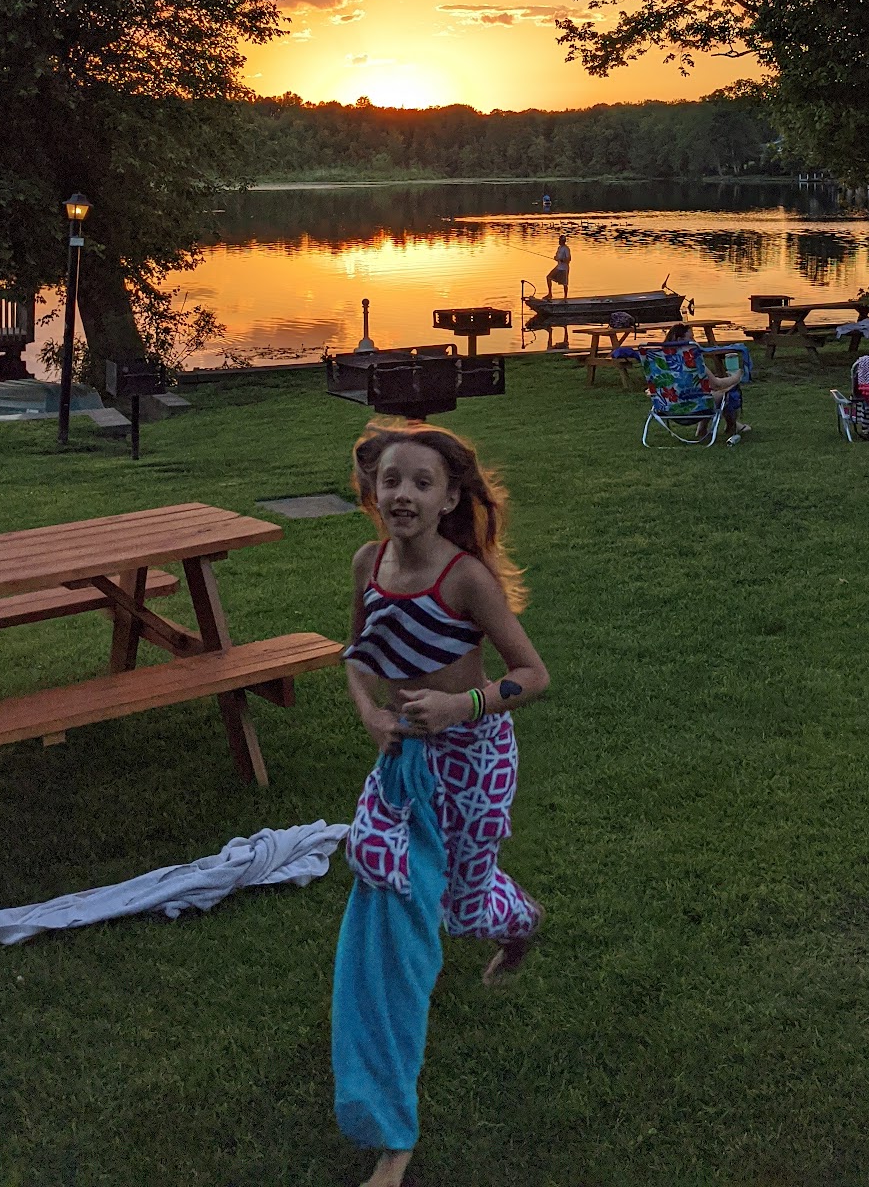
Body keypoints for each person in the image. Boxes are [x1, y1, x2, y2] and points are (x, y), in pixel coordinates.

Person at [334, 425, 549, 1187]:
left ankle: (519, 923)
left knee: (462, 906)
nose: (403, 495)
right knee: (383, 884)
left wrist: (464, 705)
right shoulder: (367, 564)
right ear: (374, 491)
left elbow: (534, 674)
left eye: (422, 483)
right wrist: (370, 711)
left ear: (451, 498)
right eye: (392, 480)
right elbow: (356, 654)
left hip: (474, 761)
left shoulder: (465, 580)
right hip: (403, 763)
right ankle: (391, 1125)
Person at [661, 325, 752, 442]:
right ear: (679, 340)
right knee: (728, 389)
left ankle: (704, 429)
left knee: (706, 391)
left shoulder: (658, 360)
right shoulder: (691, 358)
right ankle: (732, 425)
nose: (695, 341)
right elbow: (717, 384)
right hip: (694, 409)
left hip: (666, 408)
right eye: (691, 338)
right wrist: (737, 377)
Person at [545, 234, 571, 298]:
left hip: (564, 268)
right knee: (548, 277)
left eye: (560, 240)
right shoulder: (559, 248)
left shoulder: (566, 249)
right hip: (558, 267)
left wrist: (563, 260)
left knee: (564, 284)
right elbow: (557, 256)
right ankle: (550, 294)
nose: (559, 241)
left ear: (563, 241)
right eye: (559, 240)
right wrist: (555, 258)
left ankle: (565, 297)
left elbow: (569, 259)